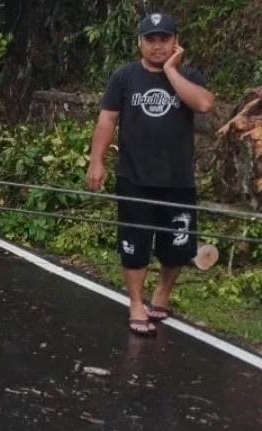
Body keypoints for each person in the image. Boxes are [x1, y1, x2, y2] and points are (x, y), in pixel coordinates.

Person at [86, 13, 214, 337]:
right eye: (151, 39)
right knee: (134, 245)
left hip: (178, 180)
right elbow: (106, 121)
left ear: (175, 42)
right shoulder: (124, 77)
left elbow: (203, 104)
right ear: (140, 43)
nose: (158, 46)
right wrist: (96, 162)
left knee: (177, 246)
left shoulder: (190, 75)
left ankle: (162, 294)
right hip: (135, 179)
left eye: (164, 39)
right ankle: (135, 304)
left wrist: (171, 70)